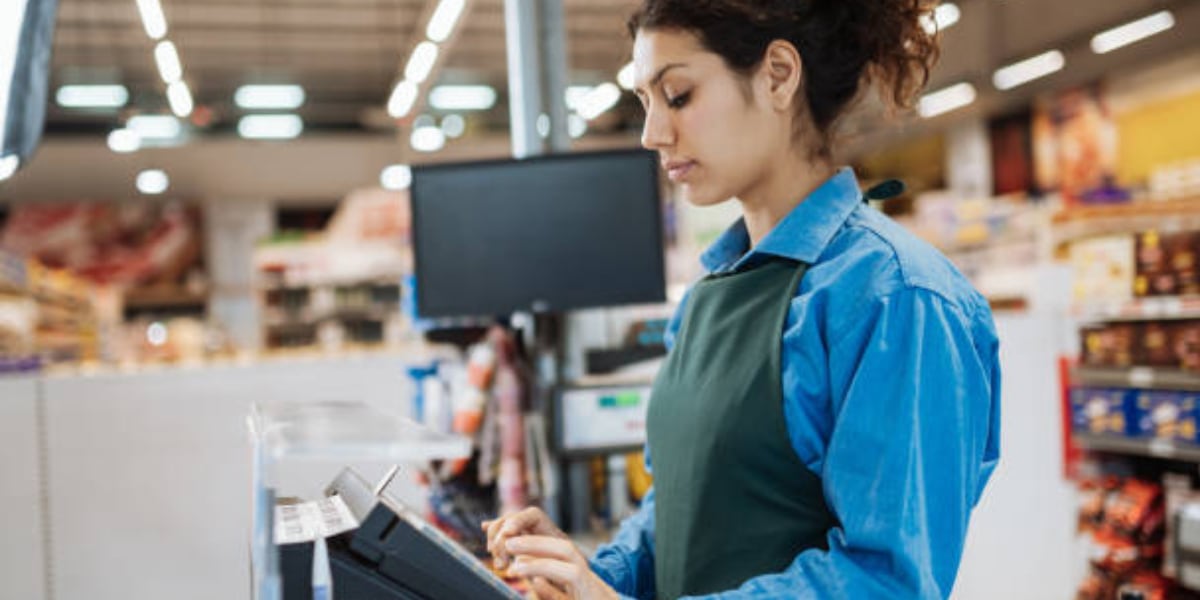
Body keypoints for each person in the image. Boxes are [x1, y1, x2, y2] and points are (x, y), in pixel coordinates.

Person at [483, 0, 1002, 598]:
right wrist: (589, 576)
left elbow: (887, 580)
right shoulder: (709, 297)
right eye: (645, 102)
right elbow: (681, 511)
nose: (653, 134)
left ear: (778, 75)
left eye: (677, 96)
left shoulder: (896, 298)